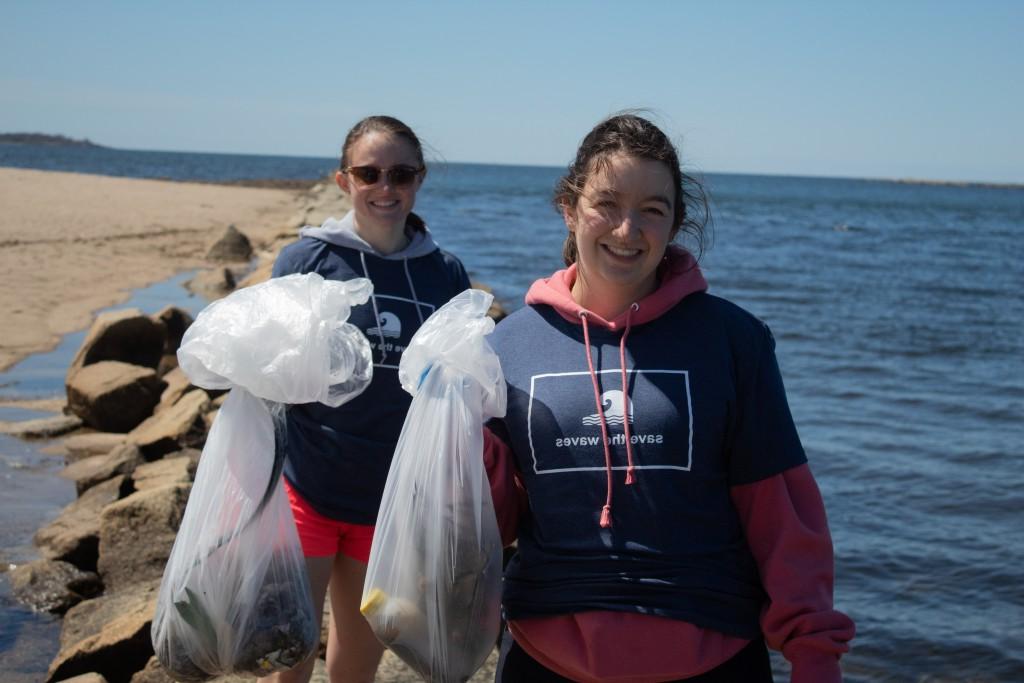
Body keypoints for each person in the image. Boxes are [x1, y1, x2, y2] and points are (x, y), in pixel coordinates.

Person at [482, 114, 855, 683]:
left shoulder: (733, 341)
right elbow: (491, 526)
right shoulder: (507, 347)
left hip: (713, 657)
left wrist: (813, 655)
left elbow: (780, 512)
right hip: (543, 658)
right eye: (607, 203)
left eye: (652, 210)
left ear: (676, 222)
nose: (628, 230)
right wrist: (459, 443)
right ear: (569, 206)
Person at [263, 115, 470, 683]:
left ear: (419, 179)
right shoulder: (304, 262)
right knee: (285, 653)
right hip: (306, 486)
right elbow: (271, 376)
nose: (386, 187)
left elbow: (456, 393)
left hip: (390, 505)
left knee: (357, 660)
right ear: (342, 181)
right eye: (369, 172)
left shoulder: (444, 275)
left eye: (401, 173)